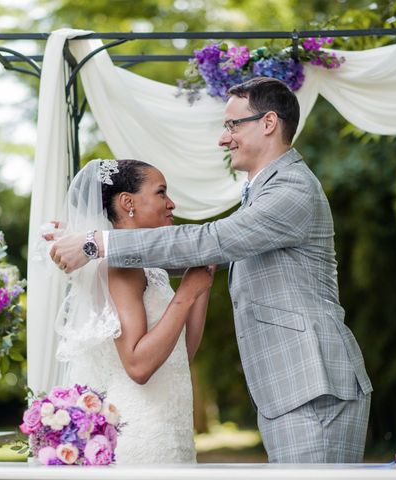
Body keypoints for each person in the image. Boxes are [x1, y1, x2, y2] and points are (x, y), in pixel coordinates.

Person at [47, 77, 373, 463]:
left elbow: (212, 240)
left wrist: (96, 243)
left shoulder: (291, 189)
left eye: (233, 125)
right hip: (294, 388)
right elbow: (202, 253)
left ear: (268, 123)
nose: (224, 138)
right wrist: (88, 240)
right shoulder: (264, 190)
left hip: (312, 384)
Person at [49, 159, 214, 464]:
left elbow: (180, 354)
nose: (171, 203)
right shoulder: (121, 269)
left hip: (172, 427)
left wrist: (200, 286)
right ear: (128, 203)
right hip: (141, 433)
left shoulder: (149, 268)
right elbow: (138, 366)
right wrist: (186, 294)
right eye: (161, 192)